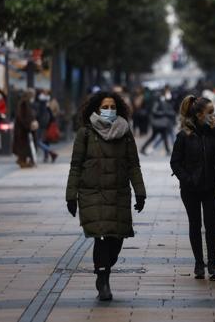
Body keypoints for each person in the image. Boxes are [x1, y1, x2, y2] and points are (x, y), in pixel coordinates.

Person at [65, 91, 146, 301]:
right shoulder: (85, 133)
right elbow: (75, 166)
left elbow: (133, 165)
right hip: (93, 193)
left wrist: (140, 192)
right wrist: (71, 196)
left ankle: (104, 270)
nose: (109, 110)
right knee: (101, 239)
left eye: (112, 107)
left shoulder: (125, 132)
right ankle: (103, 281)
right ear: (96, 108)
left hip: (119, 193)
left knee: (116, 241)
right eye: (105, 106)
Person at [170, 96, 215, 280]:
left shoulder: (214, 132)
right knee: (195, 224)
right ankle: (199, 263)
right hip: (190, 189)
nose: (213, 115)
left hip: (211, 186)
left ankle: (213, 262)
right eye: (209, 112)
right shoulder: (184, 135)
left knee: (211, 224)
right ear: (199, 114)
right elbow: (175, 162)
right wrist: (187, 179)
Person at [13, 90, 38, 168]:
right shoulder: (24, 103)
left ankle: (23, 160)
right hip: (22, 129)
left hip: (23, 129)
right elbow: (23, 116)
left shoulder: (24, 103)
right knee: (23, 146)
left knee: (24, 146)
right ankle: (22, 161)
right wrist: (28, 125)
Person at [34, 90, 58, 163]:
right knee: (45, 141)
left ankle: (50, 152)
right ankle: (47, 155)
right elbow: (51, 116)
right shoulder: (47, 104)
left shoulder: (40, 104)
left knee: (37, 141)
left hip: (41, 125)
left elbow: (37, 115)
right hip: (47, 125)